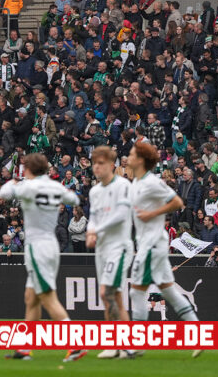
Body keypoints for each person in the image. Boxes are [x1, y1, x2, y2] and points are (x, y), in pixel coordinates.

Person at [0, 153, 86, 362]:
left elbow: (4, 193)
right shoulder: (55, 186)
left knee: (47, 297)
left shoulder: (28, 186)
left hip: (37, 246)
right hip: (51, 244)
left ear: (29, 170)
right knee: (31, 298)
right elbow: (74, 199)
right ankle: (25, 349)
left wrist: (15, 180)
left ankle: (76, 344)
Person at [127, 140, 201, 356]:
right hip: (149, 242)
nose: (128, 158)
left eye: (132, 154)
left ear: (140, 160)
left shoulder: (151, 182)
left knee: (137, 292)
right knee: (169, 291)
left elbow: (177, 202)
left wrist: (151, 215)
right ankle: (198, 336)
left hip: (151, 243)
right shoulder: (137, 182)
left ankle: (137, 345)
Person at [85, 146, 135, 359]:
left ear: (112, 166)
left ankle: (122, 344)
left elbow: (122, 214)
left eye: (101, 163)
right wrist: (90, 231)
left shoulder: (123, 186)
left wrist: (97, 229)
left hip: (119, 246)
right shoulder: (94, 190)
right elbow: (94, 217)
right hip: (102, 249)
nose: (96, 167)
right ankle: (119, 345)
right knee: (113, 297)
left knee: (106, 293)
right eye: (94, 163)